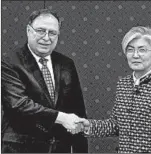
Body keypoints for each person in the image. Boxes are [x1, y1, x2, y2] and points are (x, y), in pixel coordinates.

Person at [74, 26, 151, 153]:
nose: (135, 55)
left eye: (142, 50)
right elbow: (116, 125)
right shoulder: (123, 85)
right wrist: (88, 126)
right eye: (130, 50)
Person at [1, 9, 88, 153]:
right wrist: (61, 117)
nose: (46, 38)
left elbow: (78, 112)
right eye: (41, 31)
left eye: (52, 33)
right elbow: (19, 105)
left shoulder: (66, 64)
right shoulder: (9, 62)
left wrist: (81, 151)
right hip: (21, 149)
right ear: (29, 30)